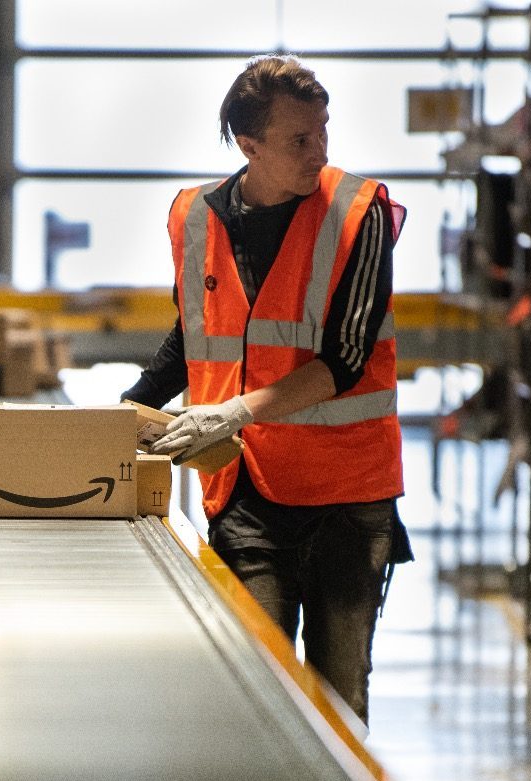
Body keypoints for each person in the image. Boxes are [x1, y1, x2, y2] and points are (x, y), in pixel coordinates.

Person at [130, 54, 411, 722]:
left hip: (348, 498)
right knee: (257, 695)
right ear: (248, 145)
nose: (320, 152)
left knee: (339, 704)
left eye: (324, 131)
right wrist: (124, 412)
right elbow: (194, 336)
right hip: (248, 492)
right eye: (299, 140)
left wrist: (232, 411)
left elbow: (344, 358)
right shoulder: (195, 217)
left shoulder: (359, 213)